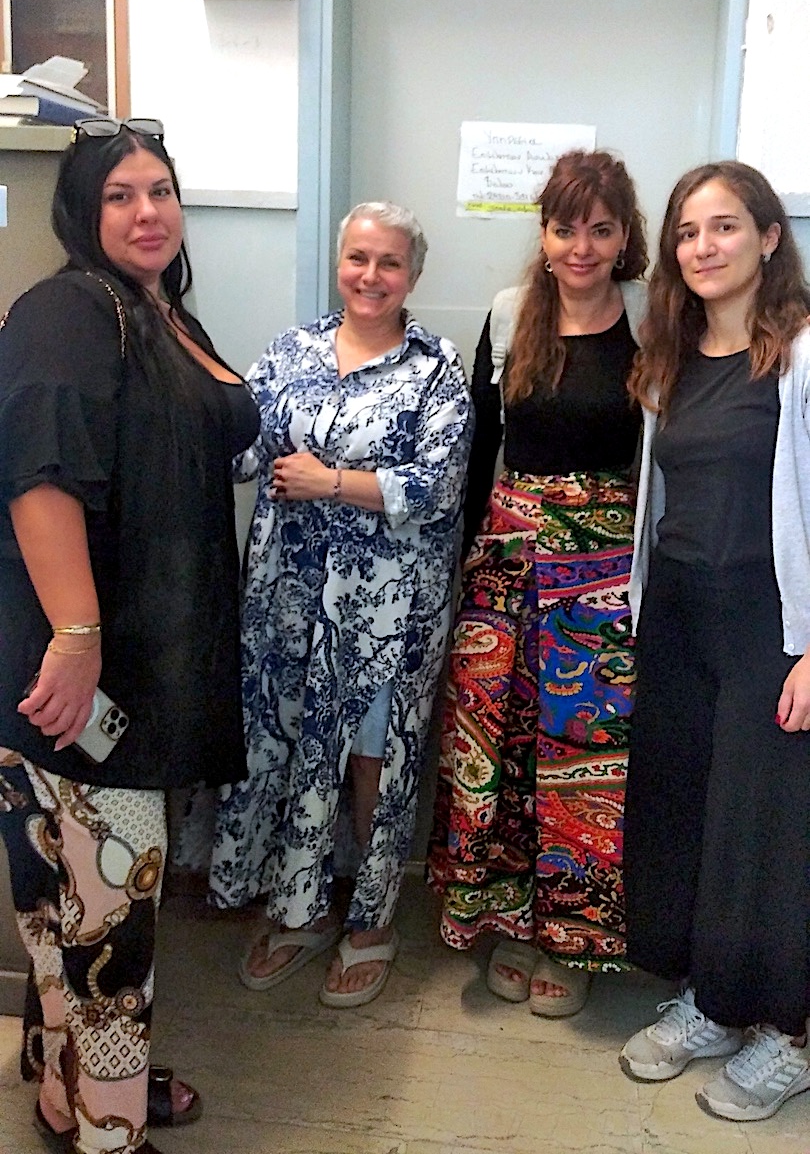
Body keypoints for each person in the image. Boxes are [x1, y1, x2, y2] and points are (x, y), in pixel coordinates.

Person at [0, 117, 259, 1154]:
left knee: (72, 902)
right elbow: (38, 474)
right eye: (120, 196)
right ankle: (111, 1132)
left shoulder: (155, 309)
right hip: (82, 676)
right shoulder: (69, 308)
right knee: (112, 913)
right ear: (82, 212)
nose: (148, 212)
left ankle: (71, 1089)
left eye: (161, 191)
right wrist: (76, 635)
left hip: (126, 662)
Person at [209, 201, 472, 1007]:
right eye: (359, 257)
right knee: (289, 743)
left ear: (412, 275)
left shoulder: (436, 368)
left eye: (389, 262)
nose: (371, 275)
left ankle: (371, 921)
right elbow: (241, 452)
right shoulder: (291, 351)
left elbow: (436, 488)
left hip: (385, 613)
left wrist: (331, 482)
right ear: (339, 263)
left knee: (370, 757)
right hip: (287, 599)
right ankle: (303, 908)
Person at [427, 149, 647, 1017]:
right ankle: (510, 923)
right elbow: (483, 446)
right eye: (564, 228)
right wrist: (464, 564)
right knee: (502, 754)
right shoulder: (511, 311)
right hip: (507, 566)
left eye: (600, 229)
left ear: (625, 237)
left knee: (584, 761)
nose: (581, 247)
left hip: (603, 578)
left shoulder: (652, 319)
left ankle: (574, 938)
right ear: (544, 233)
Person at [619, 160, 810, 1121]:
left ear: (769, 238)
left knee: (764, 832)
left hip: (770, 627)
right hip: (681, 618)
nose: (704, 247)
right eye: (688, 232)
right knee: (689, 815)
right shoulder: (672, 357)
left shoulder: (803, 355)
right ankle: (716, 1003)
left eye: (725, 226)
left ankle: (787, 1031)